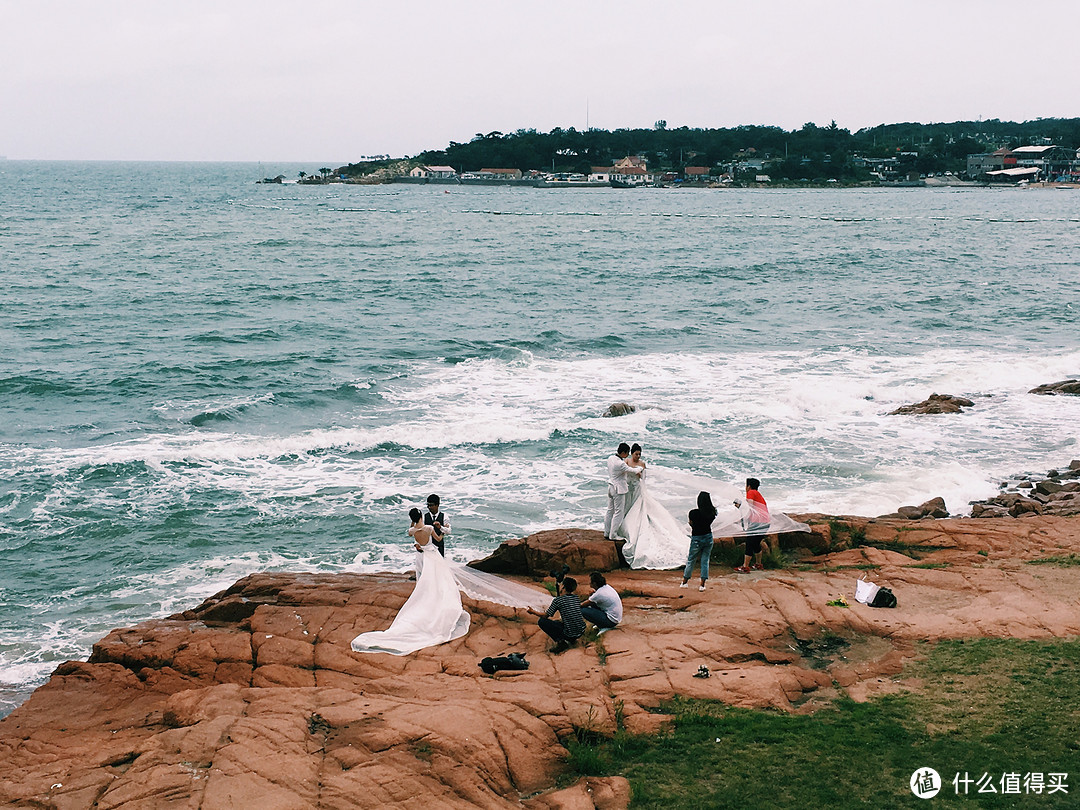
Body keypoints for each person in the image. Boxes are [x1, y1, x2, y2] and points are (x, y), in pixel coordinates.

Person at [351, 508, 470, 655]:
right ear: (421, 516)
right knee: (442, 581)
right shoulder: (429, 528)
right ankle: (441, 605)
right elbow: (438, 540)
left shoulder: (412, 531)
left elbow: (411, 530)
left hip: (424, 557)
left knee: (428, 582)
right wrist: (442, 532)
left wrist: (414, 523)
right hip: (433, 555)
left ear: (413, 518)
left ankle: (430, 602)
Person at [527, 576, 586, 653]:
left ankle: (561, 642)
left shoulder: (558, 600)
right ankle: (573, 640)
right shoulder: (576, 598)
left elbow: (545, 615)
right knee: (558, 622)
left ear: (563, 587)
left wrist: (533, 612)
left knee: (542, 622)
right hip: (581, 631)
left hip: (569, 634)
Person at [604, 443, 644, 541]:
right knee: (619, 512)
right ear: (623, 452)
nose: (627, 455)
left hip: (611, 487)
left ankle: (607, 532)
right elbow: (632, 470)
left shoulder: (611, 458)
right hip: (618, 490)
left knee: (610, 511)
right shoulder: (620, 463)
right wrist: (641, 468)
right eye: (627, 453)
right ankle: (613, 535)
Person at [681, 491, 717, 591]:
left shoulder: (693, 513)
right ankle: (702, 585)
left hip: (696, 537)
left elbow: (691, 523)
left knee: (691, 560)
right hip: (708, 537)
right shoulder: (712, 512)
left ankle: (685, 581)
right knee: (705, 561)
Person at [735, 477, 772, 573]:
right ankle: (758, 564)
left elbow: (750, 507)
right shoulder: (757, 494)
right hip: (765, 522)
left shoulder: (751, 492)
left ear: (749, 486)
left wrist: (740, 507)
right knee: (755, 543)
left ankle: (745, 567)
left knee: (750, 543)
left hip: (758, 523)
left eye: (746, 485)